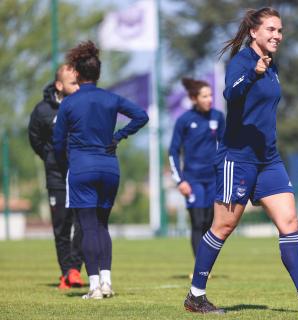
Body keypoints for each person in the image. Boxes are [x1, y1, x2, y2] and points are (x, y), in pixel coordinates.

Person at [184, 7, 298, 314]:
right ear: (254, 32)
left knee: (289, 222)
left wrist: (262, 71)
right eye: (271, 29)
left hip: (269, 160)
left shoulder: (270, 66)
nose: (277, 35)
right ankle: (196, 295)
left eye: (280, 30)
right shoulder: (243, 62)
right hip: (238, 158)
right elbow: (231, 94)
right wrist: (252, 75)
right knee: (224, 226)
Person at [53, 41, 149, 300]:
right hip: (109, 168)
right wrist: (118, 136)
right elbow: (141, 115)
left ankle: (94, 286)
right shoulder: (111, 98)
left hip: (82, 168)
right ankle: (106, 282)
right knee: (102, 226)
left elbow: (57, 142)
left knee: (87, 227)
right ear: (98, 73)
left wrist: (66, 163)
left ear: (77, 73)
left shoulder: (69, 104)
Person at [28, 64, 85, 290]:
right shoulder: (42, 110)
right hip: (56, 177)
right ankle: (66, 273)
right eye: (73, 83)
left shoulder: (83, 106)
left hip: (80, 175)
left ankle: (74, 270)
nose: (78, 87)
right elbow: (35, 139)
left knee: (82, 223)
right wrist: (50, 157)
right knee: (61, 226)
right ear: (59, 86)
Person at [168, 78, 225, 263]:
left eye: (210, 95)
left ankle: (206, 265)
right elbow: (173, 152)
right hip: (193, 180)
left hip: (214, 180)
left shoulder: (218, 117)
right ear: (194, 98)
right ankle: (200, 267)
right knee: (198, 222)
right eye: (204, 96)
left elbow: (226, 147)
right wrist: (180, 181)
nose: (209, 99)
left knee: (210, 224)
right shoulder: (184, 120)